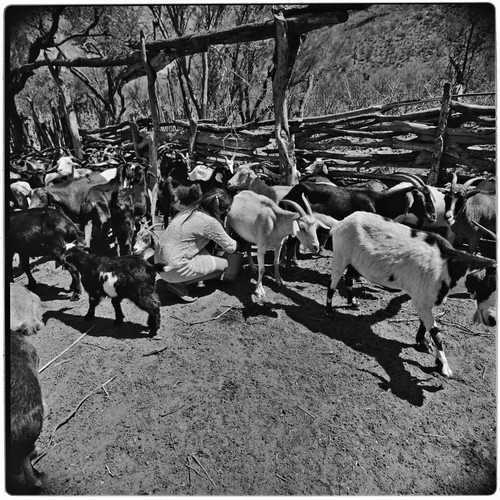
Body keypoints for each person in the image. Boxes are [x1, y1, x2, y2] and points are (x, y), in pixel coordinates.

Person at [154, 188, 238, 302]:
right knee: (224, 265)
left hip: (160, 264)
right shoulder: (209, 222)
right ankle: (181, 284)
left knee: (205, 252)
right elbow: (231, 247)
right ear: (218, 210)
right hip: (173, 269)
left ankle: (181, 278)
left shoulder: (188, 212)